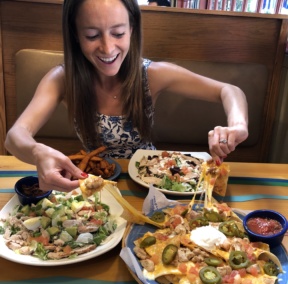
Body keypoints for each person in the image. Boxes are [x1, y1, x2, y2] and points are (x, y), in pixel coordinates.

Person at [5, 0, 248, 193]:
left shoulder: (152, 74)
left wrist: (237, 125)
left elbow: (229, 90)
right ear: (75, 35)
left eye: (118, 33)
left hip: (152, 181)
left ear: (132, 29)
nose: (108, 48)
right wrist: (37, 152)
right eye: (92, 36)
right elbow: (15, 137)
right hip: (95, 184)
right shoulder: (62, 79)